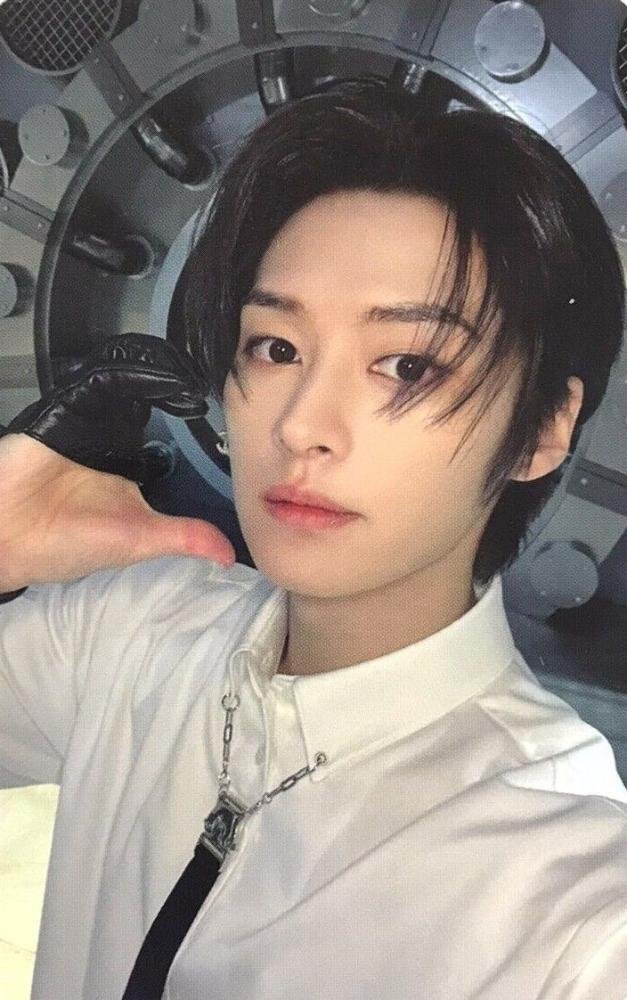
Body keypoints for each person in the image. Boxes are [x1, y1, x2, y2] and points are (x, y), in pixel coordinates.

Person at [1, 77, 626, 999]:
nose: (300, 425)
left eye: (406, 365)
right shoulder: (136, 630)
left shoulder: (571, 903)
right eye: (276, 348)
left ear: (541, 428)